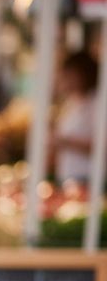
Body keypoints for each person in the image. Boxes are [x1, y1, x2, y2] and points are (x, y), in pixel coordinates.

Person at [50, 50, 99, 185]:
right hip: (68, 175)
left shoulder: (97, 103)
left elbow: (100, 145)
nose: (68, 79)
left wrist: (64, 141)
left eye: (71, 75)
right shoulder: (71, 101)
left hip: (88, 177)